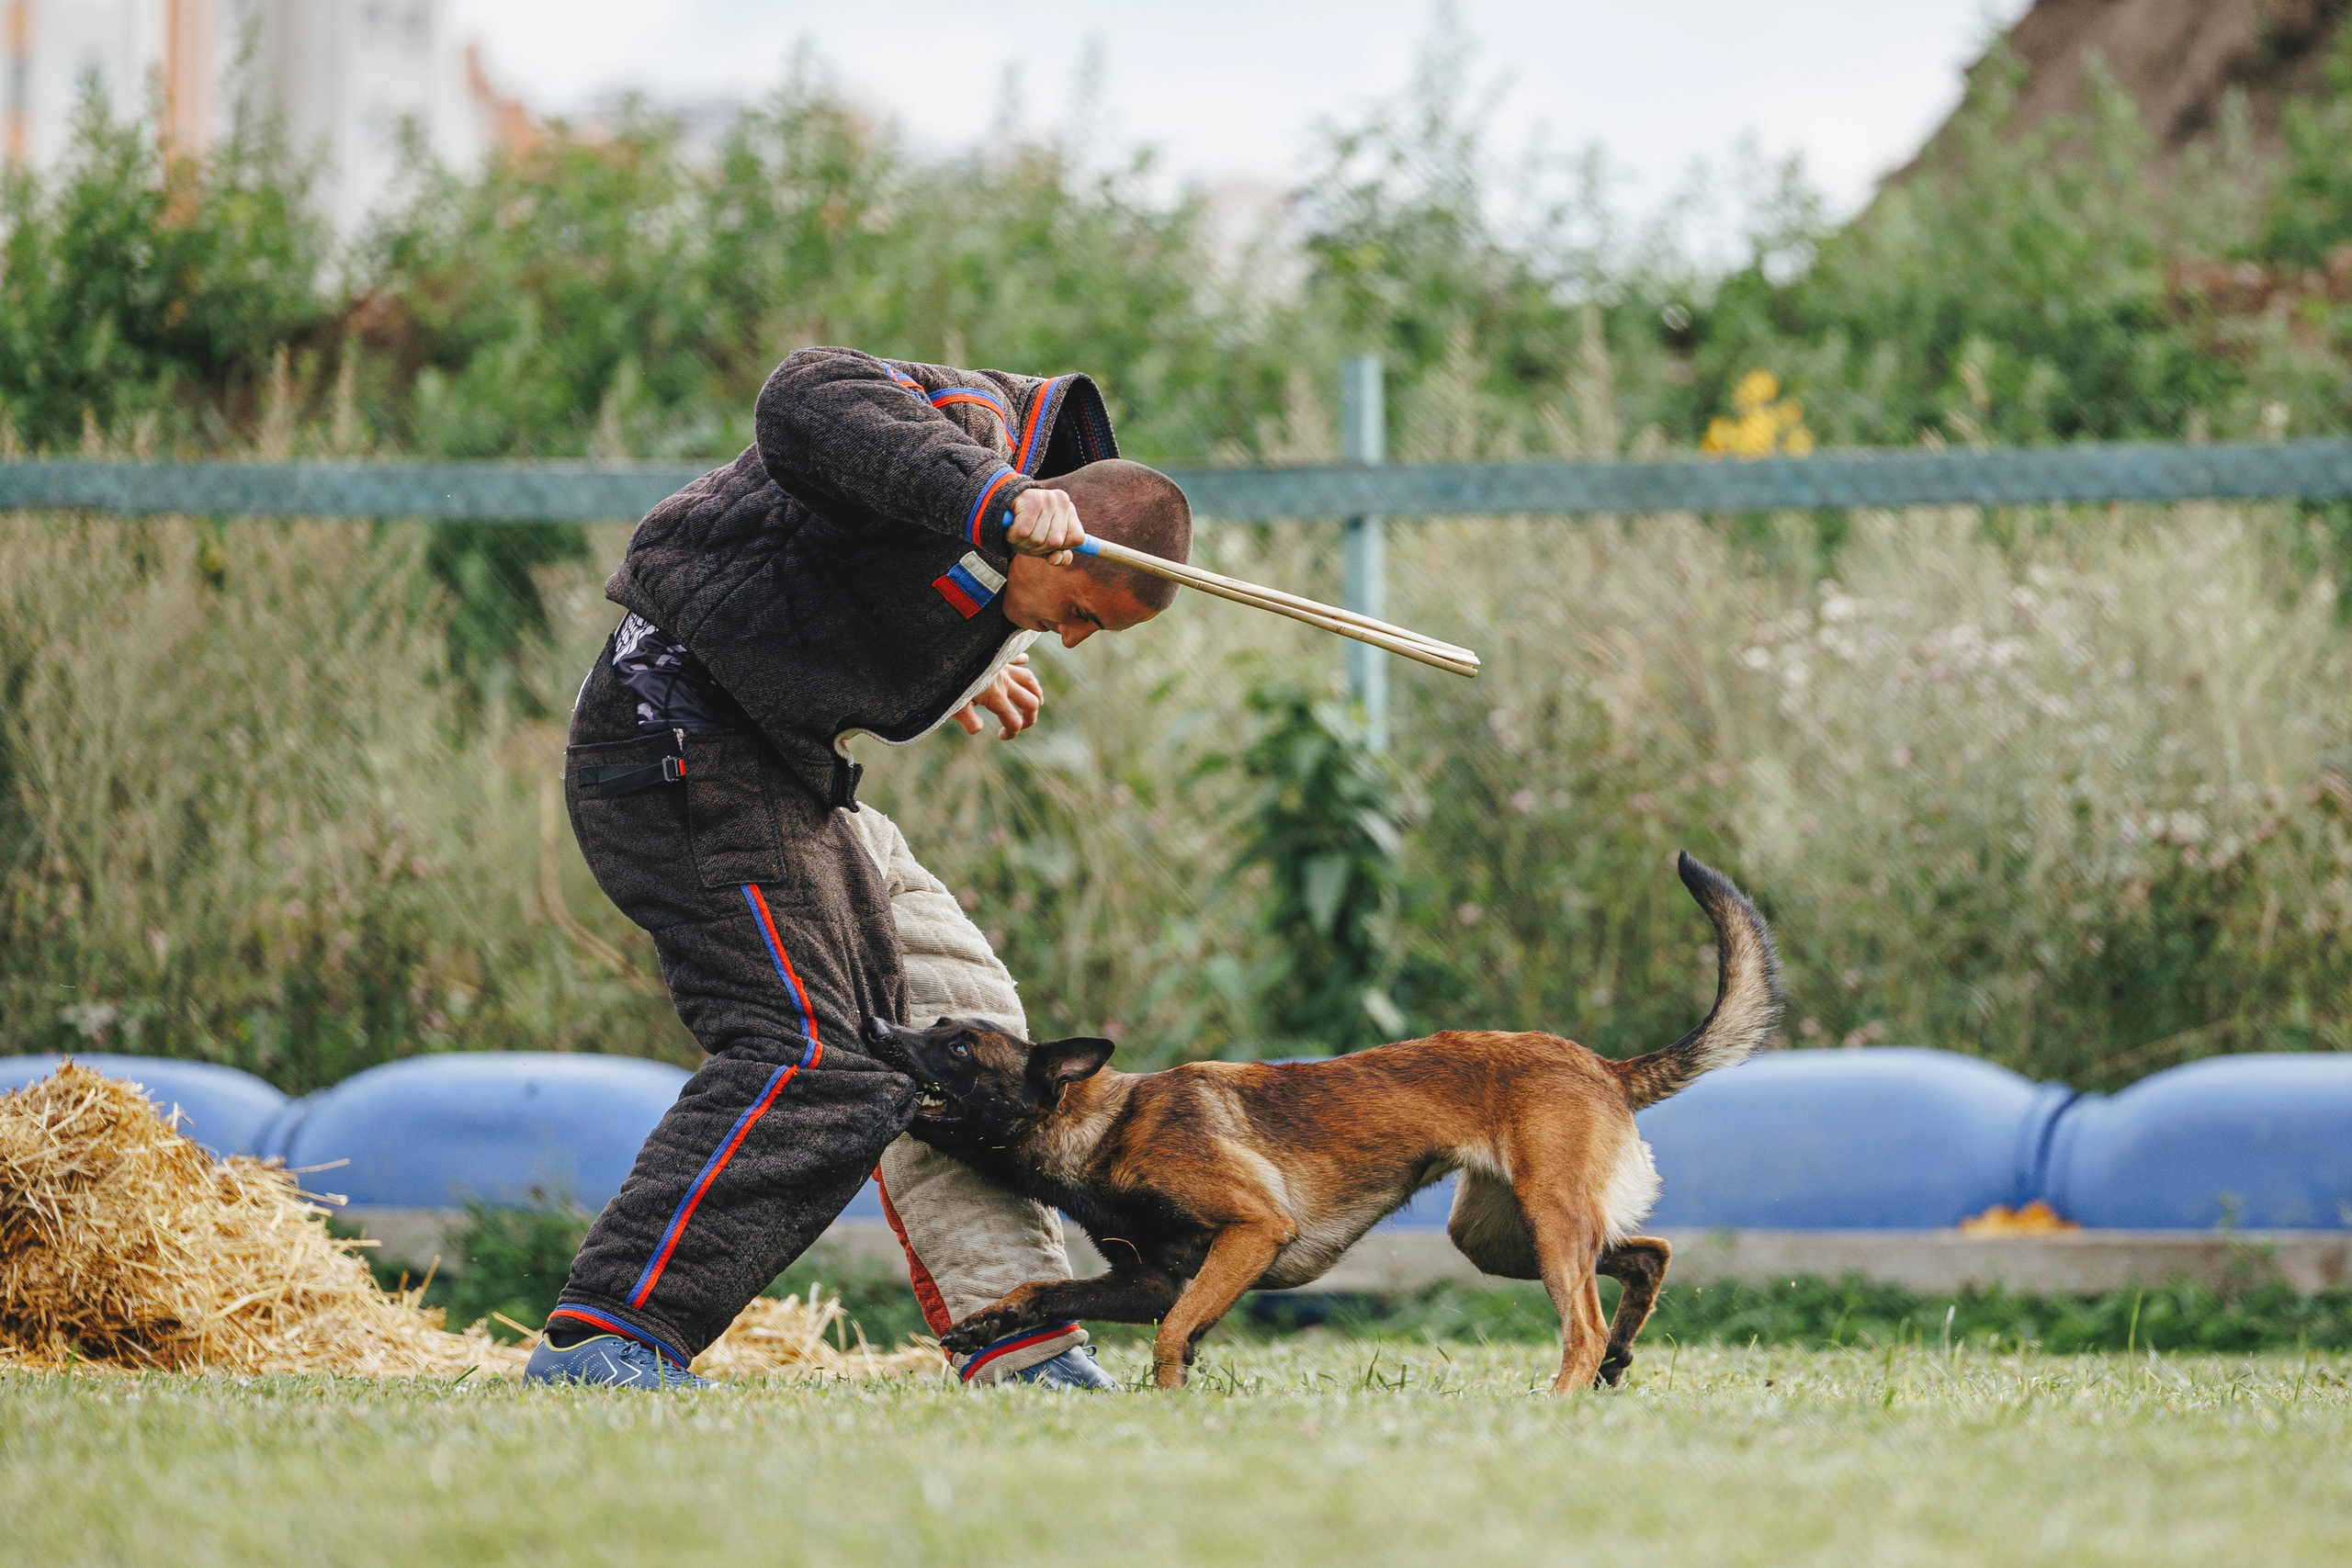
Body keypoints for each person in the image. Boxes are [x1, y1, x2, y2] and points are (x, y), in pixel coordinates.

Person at [523, 347, 1192, 1391]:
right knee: (813, 1057)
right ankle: (607, 1342)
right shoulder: (973, 437)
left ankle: (1020, 1346)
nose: (1069, 641)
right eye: (1080, 615)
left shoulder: (1008, 557)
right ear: (1056, 541)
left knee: (968, 1043)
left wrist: (971, 662)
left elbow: (854, 584)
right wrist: (1001, 499)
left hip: (783, 769)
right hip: (675, 749)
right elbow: (806, 395)